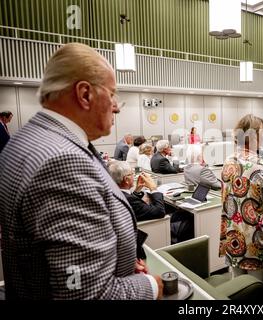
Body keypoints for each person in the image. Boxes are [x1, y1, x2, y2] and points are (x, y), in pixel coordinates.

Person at [0, 43, 162, 299]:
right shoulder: (63, 163)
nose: (117, 107)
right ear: (85, 94)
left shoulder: (23, 141)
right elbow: (89, 295)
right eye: (112, 94)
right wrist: (152, 286)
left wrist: (116, 259)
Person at [219, 114, 263, 283]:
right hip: (255, 239)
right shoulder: (262, 166)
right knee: (256, 287)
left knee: (237, 287)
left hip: (232, 234)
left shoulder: (228, 161)